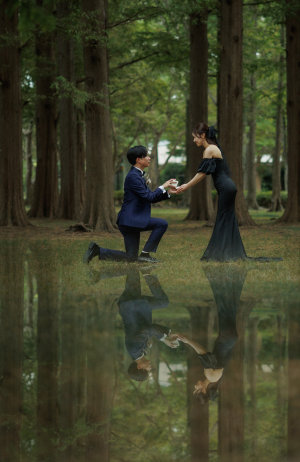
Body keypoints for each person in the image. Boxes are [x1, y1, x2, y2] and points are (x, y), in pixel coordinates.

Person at [172, 123, 282, 262]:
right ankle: (226, 253)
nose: (194, 140)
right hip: (227, 187)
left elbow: (202, 173)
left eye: (195, 137)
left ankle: (221, 254)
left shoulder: (209, 150)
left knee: (223, 219)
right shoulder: (211, 148)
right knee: (226, 219)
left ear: (203, 135)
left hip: (226, 188)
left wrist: (186, 185)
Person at [83, 145, 177, 264]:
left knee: (131, 258)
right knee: (162, 224)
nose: (149, 158)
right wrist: (163, 186)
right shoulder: (133, 177)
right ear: (138, 159)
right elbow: (149, 197)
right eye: (146, 156)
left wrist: (167, 192)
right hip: (131, 220)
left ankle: (97, 251)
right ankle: (145, 254)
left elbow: (150, 198)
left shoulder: (137, 175)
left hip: (128, 221)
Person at [172, 266, 248, 402]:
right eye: (196, 388)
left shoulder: (214, 378)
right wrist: (187, 340)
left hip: (229, 340)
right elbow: (202, 352)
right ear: (204, 390)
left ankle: (232, 274)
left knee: (229, 307)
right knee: (223, 305)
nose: (195, 385)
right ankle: (220, 274)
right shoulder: (211, 377)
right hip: (225, 339)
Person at [104, 267, 180, 382]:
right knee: (132, 269)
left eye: (147, 370)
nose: (150, 368)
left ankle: (104, 273)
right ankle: (144, 271)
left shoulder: (135, 349)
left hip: (132, 306)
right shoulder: (139, 351)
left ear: (139, 367)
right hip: (134, 307)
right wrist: (167, 337)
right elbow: (149, 331)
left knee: (163, 302)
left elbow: (150, 329)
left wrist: (166, 338)